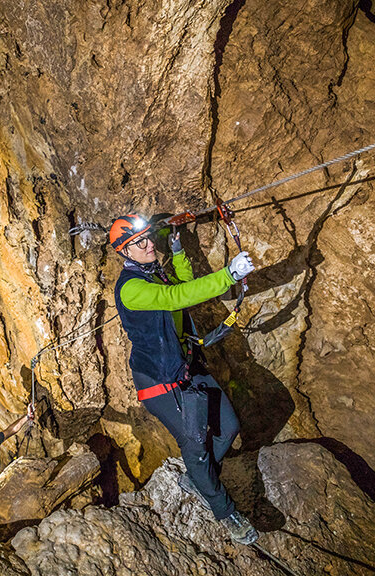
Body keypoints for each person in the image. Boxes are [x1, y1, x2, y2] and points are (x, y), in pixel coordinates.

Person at [109, 213, 259, 545]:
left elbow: (181, 286)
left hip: (185, 365)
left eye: (150, 237)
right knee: (196, 445)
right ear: (125, 251)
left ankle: (197, 477)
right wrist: (228, 275)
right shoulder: (132, 288)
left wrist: (177, 251)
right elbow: (176, 298)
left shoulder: (154, 273)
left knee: (229, 427)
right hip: (159, 381)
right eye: (141, 242)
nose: (150, 244)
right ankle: (225, 511)